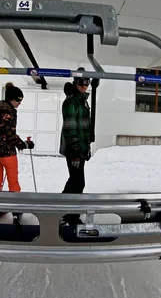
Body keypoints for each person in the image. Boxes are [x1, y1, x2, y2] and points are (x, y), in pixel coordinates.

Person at [0, 82, 34, 222]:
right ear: (11, 99)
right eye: (18, 100)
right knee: (13, 181)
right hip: (8, 154)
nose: (19, 103)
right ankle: (16, 210)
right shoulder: (10, 112)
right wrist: (23, 144)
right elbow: (10, 135)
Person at [59, 73, 92, 226]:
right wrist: (76, 153)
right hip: (74, 151)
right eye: (81, 83)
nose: (84, 86)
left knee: (75, 182)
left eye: (86, 83)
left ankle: (62, 210)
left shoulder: (81, 100)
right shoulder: (72, 101)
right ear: (75, 83)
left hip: (80, 149)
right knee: (78, 183)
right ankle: (69, 215)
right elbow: (70, 129)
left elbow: (84, 127)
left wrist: (87, 148)